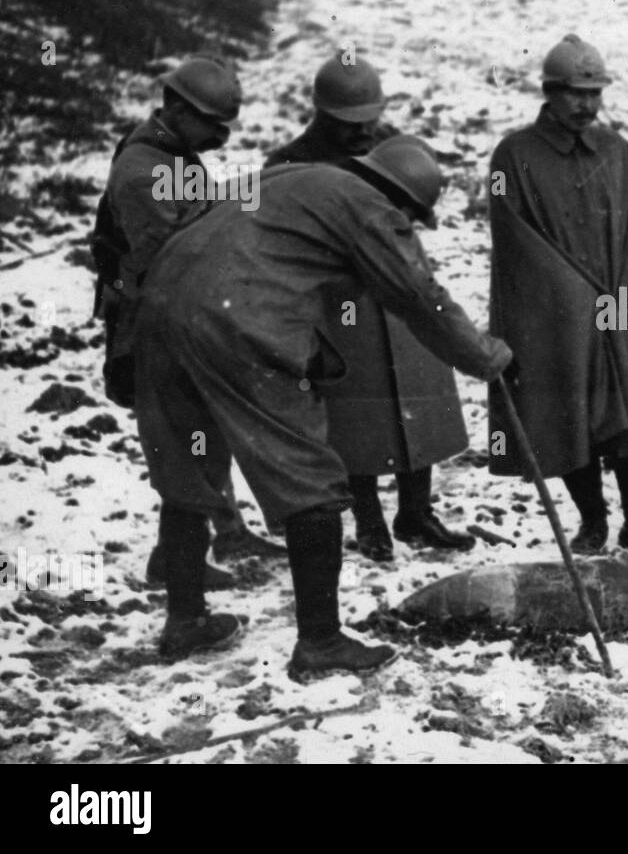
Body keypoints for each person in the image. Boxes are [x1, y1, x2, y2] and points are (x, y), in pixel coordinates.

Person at [133, 135, 512, 674]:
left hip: (161, 310)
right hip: (237, 320)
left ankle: (186, 619)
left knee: (189, 469)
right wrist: (485, 358)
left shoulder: (294, 179)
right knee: (310, 478)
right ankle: (321, 642)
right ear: (402, 202)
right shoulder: (369, 209)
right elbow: (418, 295)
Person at [266, 53, 475, 560]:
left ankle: (416, 511)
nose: (362, 134)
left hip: (400, 286)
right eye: (348, 124)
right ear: (320, 113)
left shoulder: (389, 146)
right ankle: (368, 520)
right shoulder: (287, 163)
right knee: (352, 412)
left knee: (417, 396)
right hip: (338, 303)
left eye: (369, 121)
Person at [91, 55, 284, 589]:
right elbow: (167, 254)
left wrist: (253, 193)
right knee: (186, 435)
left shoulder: (171, 154)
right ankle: (176, 561)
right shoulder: (144, 168)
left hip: (178, 308)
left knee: (205, 426)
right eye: (212, 125)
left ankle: (226, 529)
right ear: (176, 107)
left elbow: (193, 208)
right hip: (154, 317)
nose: (220, 137)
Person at [487, 34, 628, 556]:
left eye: (595, 94)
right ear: (549, 91)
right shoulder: (514, 154)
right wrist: (571, 297)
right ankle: (592, 519)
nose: (587, 105)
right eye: (575, 93)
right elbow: (512, 238)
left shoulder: (619, 154)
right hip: (554, 315)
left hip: (619, 307)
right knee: (567, 417)